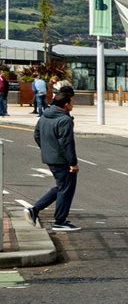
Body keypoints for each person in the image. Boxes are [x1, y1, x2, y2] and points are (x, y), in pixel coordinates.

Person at [28, 87, 80, 233]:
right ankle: (59, 221)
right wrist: (73, 163)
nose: (73, 104)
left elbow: (37, 136)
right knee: (66, 189)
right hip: (62, 160)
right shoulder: (64, 120)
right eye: (71, 101)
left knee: (61, 186)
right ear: (65, 104)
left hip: (50, 158)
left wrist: (48, 150)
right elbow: (67, 143)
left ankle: (35, 210)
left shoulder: (45, 116)